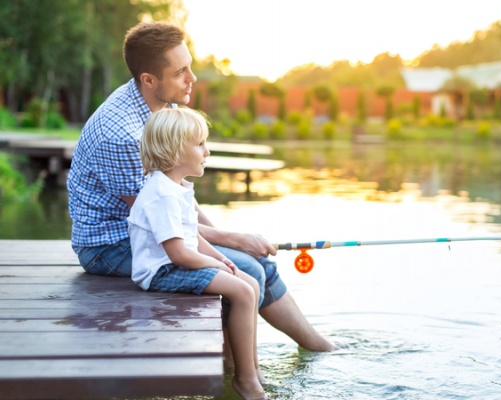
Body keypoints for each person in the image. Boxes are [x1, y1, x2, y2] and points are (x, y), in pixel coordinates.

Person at [66, 21, 335, 355]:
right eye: (181, 72)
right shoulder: (121, 135)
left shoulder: (163, 104)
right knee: (246, 268)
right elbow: (157, 216)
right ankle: (234, 372)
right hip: (110, 244)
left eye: (189, 67)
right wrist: (231, 240)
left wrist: (225, 237)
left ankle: (315, 347)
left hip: (155, 228)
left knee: (255, 262)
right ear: (149, 80)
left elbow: (176, 197)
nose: (192, 78)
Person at [128, 107, 265, 400]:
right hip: (160, 271)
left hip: (178, 262)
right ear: (176, 151)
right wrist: (218, 265)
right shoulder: (162, 194)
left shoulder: (176, 188)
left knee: (250, 284)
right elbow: (179, 254)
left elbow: (193, 235)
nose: (207, 151)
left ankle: (248, 367)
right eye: (200, 144)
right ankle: (246, 381)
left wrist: (221, 258)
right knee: (241, 292)